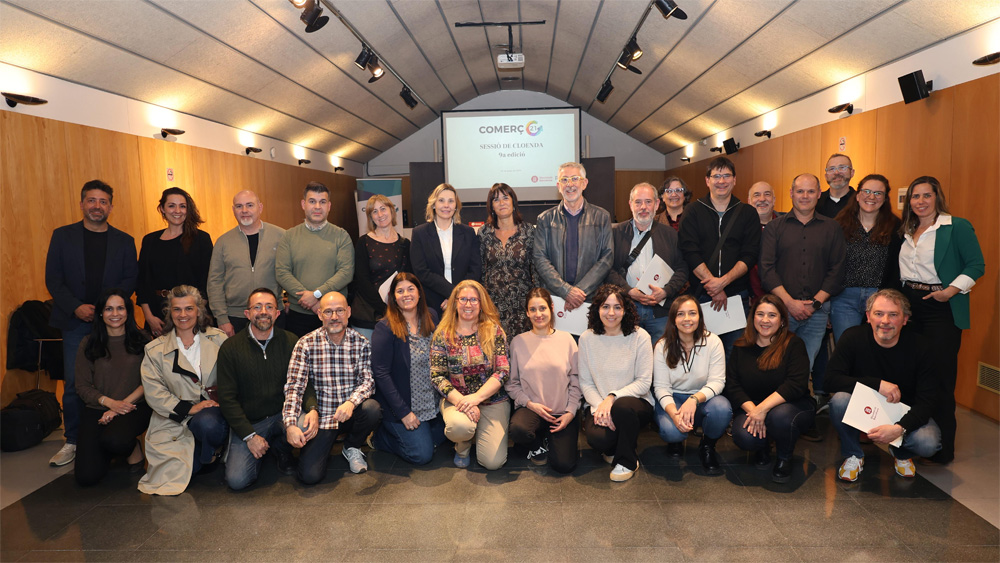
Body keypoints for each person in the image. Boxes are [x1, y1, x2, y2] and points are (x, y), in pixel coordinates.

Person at [45, 179, 138, 467]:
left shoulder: (124, 241)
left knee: (118, 379)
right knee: (75, 383)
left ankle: (113, 431)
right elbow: (53, 279)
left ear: (111, 206)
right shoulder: (63, 236)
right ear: (82, 203)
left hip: (113, 322)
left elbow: (130, 279)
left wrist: (106, 309)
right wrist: (76, 307)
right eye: (92, 200)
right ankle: (73, 439)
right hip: (75, 322)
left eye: (103, 201)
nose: (97, 206)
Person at [897, 176, 984, 464]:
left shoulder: (956, 226)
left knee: (941, 377)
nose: (920, 201)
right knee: (910, 374)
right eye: (915, 196)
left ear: (937, 197)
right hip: (909, 306)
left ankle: (943, 449)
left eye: (927, 195)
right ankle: (910, 440)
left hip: (941, 307)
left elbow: (976, 265)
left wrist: (949, 291)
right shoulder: (906, 229)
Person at [825, 290, 941, 481]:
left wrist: (900, 428)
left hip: (903, 411)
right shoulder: (852, 337)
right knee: (839, 400)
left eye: (893, 314)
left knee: (928, 443)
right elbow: (830, 379)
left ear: (905, 319)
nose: (885, 321)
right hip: (866, 407)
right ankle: (853, 454)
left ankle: (901, 453)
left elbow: (928, 401)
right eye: (878, 313)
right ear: (868, 316)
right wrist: (877, 384)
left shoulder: (922, 347)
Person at [138, 286, 229, 495]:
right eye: (177, 309)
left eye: (189, 308)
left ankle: (211, 450)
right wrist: (188, 408)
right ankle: (204, 455)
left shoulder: (219, 339)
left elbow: (233, 377)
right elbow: (154, 391)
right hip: (174, 418)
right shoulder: (154, 350)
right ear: (169, 312)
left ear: (199, 310)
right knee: (178, 475)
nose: (183, 315)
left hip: (211, 413)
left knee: (207, 424)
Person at [282, 291, 381, 484]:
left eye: (340, 311)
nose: (334, 317)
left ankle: (351, 446)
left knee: (372, 409)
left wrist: (351, 403)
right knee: (310, 477)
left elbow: (368, 381)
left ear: (349, 312)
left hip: (350, 412)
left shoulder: (361, 342)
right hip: (322, 418)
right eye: (328, 312)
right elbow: (294, 387)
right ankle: (323, 447)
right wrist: (290, 424)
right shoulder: (305, 344)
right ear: (320, 314)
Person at [759, 173, 846, 381]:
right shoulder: (774, 228)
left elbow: (837, 270)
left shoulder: (832, 228)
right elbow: (766, 269)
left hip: (817, 312)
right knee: (774, 365)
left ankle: (797, 401)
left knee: (804, 368)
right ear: (791, 193)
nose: (805, 196)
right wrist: (790, 303)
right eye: (800, 191)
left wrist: (815, 303)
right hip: (781, 311)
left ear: (819, 194)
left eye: (810, 191)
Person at [217, 288, 302, 490]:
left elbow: (303, 382)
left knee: (307, 426)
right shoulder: (230, 348)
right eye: (257, 307)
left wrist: (313, 409)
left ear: (277, 313)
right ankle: (259, 446)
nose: (263, 312)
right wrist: (249, 436)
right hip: (251, 422)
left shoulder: (292, 341)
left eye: (269, 307)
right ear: (247, 313)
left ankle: (281, 449)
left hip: (284, 415)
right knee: (237, 481)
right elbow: (227, 399)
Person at [726, 295, 815, 484]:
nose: (765, 320)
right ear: (753, 318)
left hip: (791, 406)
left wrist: (763, 409)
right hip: (753, 406)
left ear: (782, 321)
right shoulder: (741, 346)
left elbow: (795, 384)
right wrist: (754, 410)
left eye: (772, 315)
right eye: (760, 314)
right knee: (744, 436)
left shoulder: (793, 344)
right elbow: (732, 385)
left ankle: (784, 458)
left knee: (779, 417)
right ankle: (763, 447)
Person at [678, 157, 760, 355]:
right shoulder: (692, 211)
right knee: (701, 353)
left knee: (735, 353)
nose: (721, 181)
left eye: (726, 176)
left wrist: (723, 282)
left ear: (734, 180)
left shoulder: (748, 213)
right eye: (716, 176)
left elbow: (750, 254)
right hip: (701, 296)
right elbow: (690, 251)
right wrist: (714, 287)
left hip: (737, 297)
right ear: (707, 180)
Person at [73, 289, 151, 486]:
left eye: (120, 308)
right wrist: (109, 403)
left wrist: (119, 407)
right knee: (86, 477)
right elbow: (82, 386)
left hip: (134, 406)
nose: (115, 314)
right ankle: (109, 450)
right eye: (109, 309)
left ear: (128, 311)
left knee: (115, 440)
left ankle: (129, 448)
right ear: (100, 313)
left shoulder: (143, 340)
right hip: (98, 407)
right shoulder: (88, 343)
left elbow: (151, 381)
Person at [430, 280, 510, 470]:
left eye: (474, 300)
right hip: (457, 400)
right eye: (463, 299)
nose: (468, 304)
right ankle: (462, 446)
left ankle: (477, 430)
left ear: (481, 303)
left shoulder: (494, 330)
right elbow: (437, 376)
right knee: (460, 428)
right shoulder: (442, 334)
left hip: (492, 400)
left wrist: (476, 398)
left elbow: (502, 371)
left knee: (493, 463)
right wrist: (464, 402)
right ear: (455, 302)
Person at [578, 284, 653, 482]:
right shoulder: (587, 338)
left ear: (626, 310)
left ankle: (627, 461)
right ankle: (615, 446)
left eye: (617, 307)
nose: (611, 313)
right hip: (600, 405)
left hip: (634, 404)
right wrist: (600, 408)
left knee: (622, 407)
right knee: (598, 439)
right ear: (597, 309)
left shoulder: (640, 337)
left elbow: (644, 382)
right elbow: (585, 382)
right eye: (605, 306)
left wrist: (611, 398)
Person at [652, 295, 732, 475]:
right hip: (673, 398)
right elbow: (661, 388)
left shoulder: (713, 342)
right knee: (672, 432)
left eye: (692, 313)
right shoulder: (663, 345)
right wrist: (674, 414)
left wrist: (694, 400)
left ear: (700, 317)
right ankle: (676, 441)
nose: (687, 319)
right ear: (673, 319)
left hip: (702, 398)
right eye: (680, 314)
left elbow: (718, 381)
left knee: (721, 409)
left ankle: (707, 446)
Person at [370, 273, 444, 465]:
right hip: (402, 406)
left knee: (450, 433)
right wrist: (403, 413)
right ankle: (380, 438)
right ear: (393, 297)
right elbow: (381, 374)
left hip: (431, 403)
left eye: (411, 289)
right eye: (400, 291)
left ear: (419, 292)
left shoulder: (431, 316)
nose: (406, 294)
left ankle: (423, 433)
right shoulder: (385, 328)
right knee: (422, 455)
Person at [506, 288, 581, 473]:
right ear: (527, 312)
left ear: (551, 308)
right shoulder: (518, 342)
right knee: (519, 430)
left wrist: (571, 412)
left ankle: (549, 438)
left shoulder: (567, 340)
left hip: (561, 413)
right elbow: (511, 384)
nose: (538, 314)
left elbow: (577, 380)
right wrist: (530, 404)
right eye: (533, 309)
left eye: (542, 308)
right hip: (532, 410)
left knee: (564, 465)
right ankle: (536, 445)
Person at [607, 182, 689, 341]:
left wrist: (666, 291)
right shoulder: (616, 233)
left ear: (657, 204)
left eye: (648, 202)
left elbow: (682, 268)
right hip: (626, 309)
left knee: (661, 353)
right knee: (628, 354)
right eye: (638, 202)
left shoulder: (670, 234)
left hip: (660, 313)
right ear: (630, 205)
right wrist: (628, 291)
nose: (643, 207)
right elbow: (608, 269)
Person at [276, 182, 355, 337]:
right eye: (312, 201)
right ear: (303, 204)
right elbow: (282, 272)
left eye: (322, 202)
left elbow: (346, 273)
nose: (317, 207)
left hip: (334, 315)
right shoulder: (289, 236)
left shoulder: (341, 236)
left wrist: (317, 295)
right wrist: (308, 301)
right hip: (299, 316)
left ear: (329, 206)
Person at [830, 174, 902, 341]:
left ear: (885, 198)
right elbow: (829, 263)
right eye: (867, 191)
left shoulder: (896, 227)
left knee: (878, 347)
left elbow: (897, 268)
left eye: (878, 193)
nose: (871, 197)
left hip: (880, 298)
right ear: (857, 195)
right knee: (847, 346)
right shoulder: (838, 225)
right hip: (844, 298)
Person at [533, 162, 614, 312]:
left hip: (590, 298)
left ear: (584, 183)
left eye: (575, 179)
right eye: (564, 180)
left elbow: (606, 258)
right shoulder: (545, 219)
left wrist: (579, 292)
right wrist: (566, 291)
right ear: (558, 186)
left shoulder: (602, 217)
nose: (569, 184)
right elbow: (540, 258)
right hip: (556, 299)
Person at [137, 187, 214, 337]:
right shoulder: (149, 240)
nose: (177, 211)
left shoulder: (201, 239)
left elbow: (207, 282)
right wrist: (149, 317)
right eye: (171, 206)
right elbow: (142, 283)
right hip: (157, 316)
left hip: (191, 315)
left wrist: (193, 315)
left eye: (182, 206)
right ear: (162, 209)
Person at [207, 190, 285, 337]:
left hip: (271, 314)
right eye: (239, 206)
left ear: (260, 207)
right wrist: (222, 318)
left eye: (250, 205)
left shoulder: (281, 236)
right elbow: (214, 282)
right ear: (233, 210)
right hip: (234, 318)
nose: (244, 210)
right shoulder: (223, 242)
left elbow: (290, 272)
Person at [410, 184, 482, 315]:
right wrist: (453, 293)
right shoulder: (419, 233)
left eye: (451, 201)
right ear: (433, 204)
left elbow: (475, 269)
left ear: (456, 206)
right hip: (432, 305)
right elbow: (421, 272)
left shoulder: (468, 233)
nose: (446, 205)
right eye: (441, 200)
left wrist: (458, 296)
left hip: (464, 303)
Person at [479, 183, 535, 339]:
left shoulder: (528, 231)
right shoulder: (484, 232)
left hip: (522, 305)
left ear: (513, 202)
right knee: (495, 348)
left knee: (522, 349)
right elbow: (481, 270)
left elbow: (535, 269)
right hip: (492, 305)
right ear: (491, 206)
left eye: (505, 198)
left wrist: (537, 299)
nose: (501, 203)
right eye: (496, 199)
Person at [350, 195, 411, 339]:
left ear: (391, 210)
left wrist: (395, 310)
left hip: (398, 314)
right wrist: (385, 309)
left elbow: (409, 279)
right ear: (371, 217)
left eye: (383, 209)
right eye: (374, 211)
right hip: (367, 315)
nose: (380, 214)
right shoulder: (363, 242)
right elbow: (362, 281)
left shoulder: (405, 244)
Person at [747, 181, 781, 302]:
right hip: (749, 299)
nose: (762, 199)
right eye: (756, 195)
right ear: (749, 201)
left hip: (783, 299)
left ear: (774, 200)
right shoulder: (740, 229)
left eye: (767, 194)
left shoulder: (787, 226)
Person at [817, 153, 857, 219]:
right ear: (826, 176)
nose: (836, 172)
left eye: (842, 168)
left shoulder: (860, 201)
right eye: (831, 169)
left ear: (852, 172)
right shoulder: (816, 201)